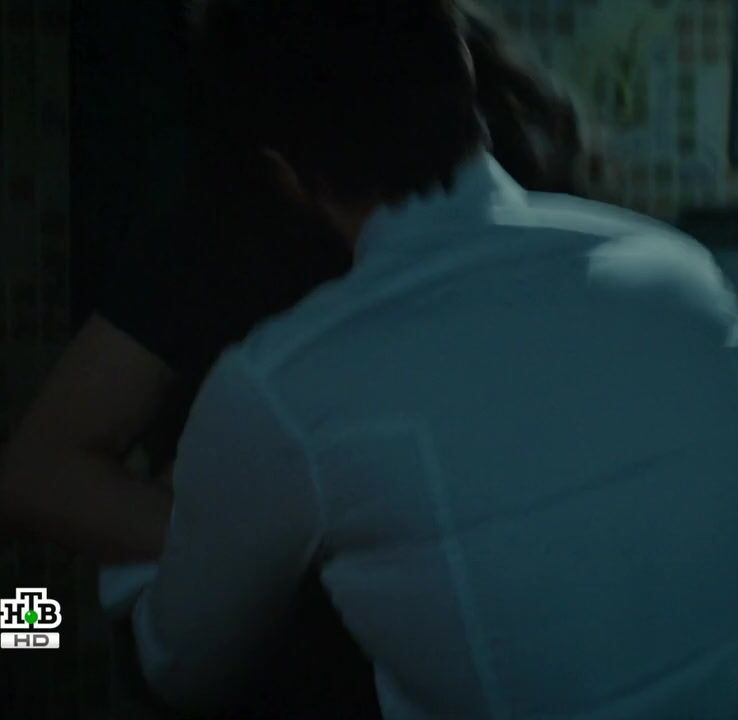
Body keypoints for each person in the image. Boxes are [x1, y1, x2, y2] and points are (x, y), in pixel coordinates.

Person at [0, 0, 738, 717]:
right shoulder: (679, 269)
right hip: (291, 597)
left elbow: (178, 662)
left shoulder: (285, 376)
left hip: (336, 618)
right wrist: (238, 534)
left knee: (50, 613)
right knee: (27, 611)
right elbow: (39, 476)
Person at [0, 2, 591, 718]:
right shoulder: (215, 194)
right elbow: (38, 474)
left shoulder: (512, 135)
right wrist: (264, 534)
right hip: (273, 655)